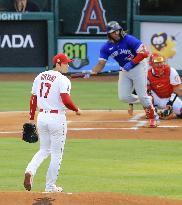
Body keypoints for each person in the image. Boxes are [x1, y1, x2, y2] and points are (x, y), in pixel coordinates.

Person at [23, 53, 81, 192]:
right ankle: (50, 186)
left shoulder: (40, 76)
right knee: (56, 154)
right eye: (66, 63)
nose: (68, 65)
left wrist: (31, 117)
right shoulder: (63, 80)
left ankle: (30, 171)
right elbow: (66, 100)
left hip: (42, 117)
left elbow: (33, 99)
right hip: (57, 119)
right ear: (58, 64)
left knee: (43, 150)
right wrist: (76, 109)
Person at [88, 21, 158, 127]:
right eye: (113, 32)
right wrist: (92, 71)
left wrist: (132, 62)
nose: (116, 33)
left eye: (117, 30)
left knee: (142, 96)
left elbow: (145, 53)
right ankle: (147, 100)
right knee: (124, 97)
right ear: (108, 34)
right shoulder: (106, 47)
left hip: (138, 66)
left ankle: (153, 118)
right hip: (124, 70)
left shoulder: (129, 39)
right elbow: (101, 64)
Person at [147, 53, 182, 118]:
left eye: (161, 62)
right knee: (145, 91)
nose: (160, 64)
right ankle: (152, 110)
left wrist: (170, 104)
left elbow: (176, 90)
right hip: (156, 98)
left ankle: (173, 114)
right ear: (151, 64)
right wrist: (131, 104)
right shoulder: (147, 74)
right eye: (157, 62)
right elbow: (141, 91)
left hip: (169, 98)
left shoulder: (171, 71)